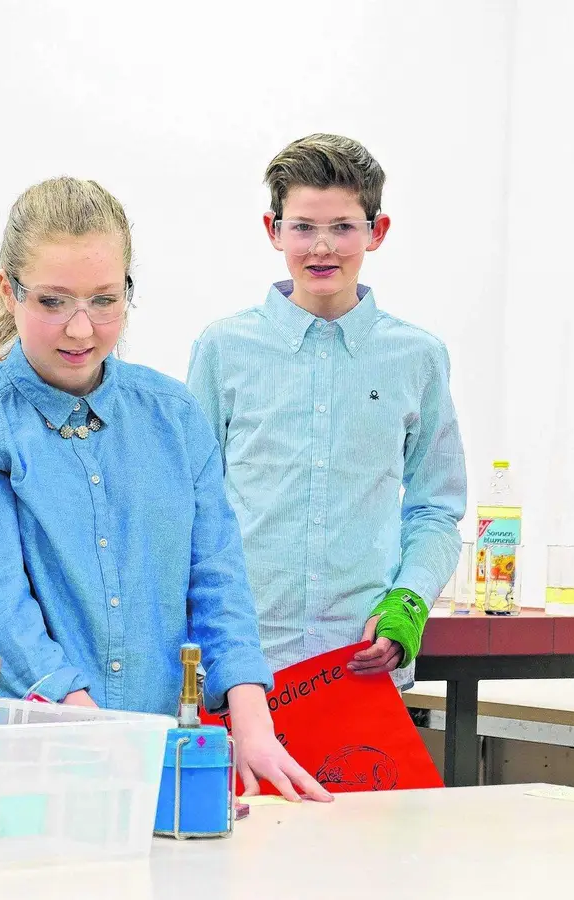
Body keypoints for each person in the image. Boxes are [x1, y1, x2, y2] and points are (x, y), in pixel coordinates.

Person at [0, 177, 331, 802]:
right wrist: (99, 734)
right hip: (30, 762)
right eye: (54, 301)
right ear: (9, 290)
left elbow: (215, 578)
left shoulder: (173, 414)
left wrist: (251, 716)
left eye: (105, 300)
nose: (81, 329)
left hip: (154, 758)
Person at [186, 133, 466, 689]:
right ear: (274, 230)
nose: (322, 247)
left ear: (376, 232)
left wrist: (408, 602)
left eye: (342, 227)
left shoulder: (419, 359)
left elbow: (436, 508)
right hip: (241, 662)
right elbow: (189, 501)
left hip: (361, 663)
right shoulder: (223, 349)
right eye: (303, 227)